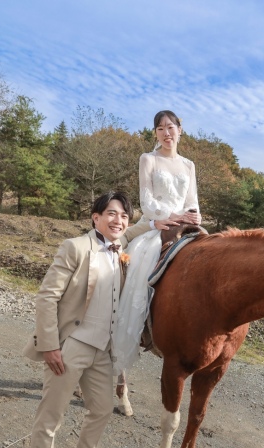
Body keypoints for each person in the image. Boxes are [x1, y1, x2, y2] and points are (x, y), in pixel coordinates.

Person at [23, 192, 158, 448]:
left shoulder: (122, 246)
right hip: (71, 345)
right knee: (51, 415)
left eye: (123, 215)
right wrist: (51, 346)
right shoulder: (76, 247)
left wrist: (167, 220)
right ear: (95, 217)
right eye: (111, 213)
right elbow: (46, 298)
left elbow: (141, 228)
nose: (118, 220)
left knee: (102, 407)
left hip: (103, 348)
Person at [112, 110, 202, 372]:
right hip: (155, 222)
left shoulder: (188, 165)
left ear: (180, 131)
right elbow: (147, 202)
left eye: (171, 127)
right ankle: (132, 322)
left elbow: (193, 200)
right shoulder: (148, 159)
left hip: (184, 223)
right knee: (140, 258)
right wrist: (169, 216)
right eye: (160, 128)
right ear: (155, 133)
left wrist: (192, 216)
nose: (166, 133)